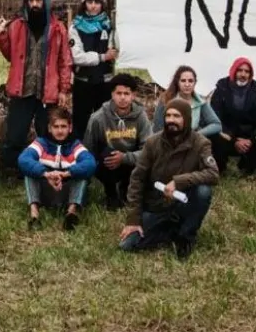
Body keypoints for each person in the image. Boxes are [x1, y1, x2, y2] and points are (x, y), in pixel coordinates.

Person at [119, 98, 220, 260]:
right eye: (168, 116)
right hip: (156, 205)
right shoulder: (152, 142)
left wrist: (179, 181)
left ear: (186, 119)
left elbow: (213, 174)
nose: (171, 120)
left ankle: (186, 237)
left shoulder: (201, 143)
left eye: (177, 116)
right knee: (128, 245)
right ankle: (170, 231)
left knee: (203, 191)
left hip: (183, 202)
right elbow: (137, 180)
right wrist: (133, 219)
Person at [0, 0, 73, 175]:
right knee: (15, 135)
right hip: (22, 90)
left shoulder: (57, 28)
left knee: (47, 134)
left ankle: (49, 169)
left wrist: (64, 89)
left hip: (47, 93)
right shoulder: (17, 26)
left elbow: (65, 61)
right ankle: (14, 171)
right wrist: (2, 35)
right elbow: (10, 56)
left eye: (38, 0)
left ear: (45, 2)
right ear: (26, 3)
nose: (34, 4)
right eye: (31, 1)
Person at [17, 106, 96, 231]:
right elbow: (23, 159)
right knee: (30, 173)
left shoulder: (75, 145)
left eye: (63, 127)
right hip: (46, 189)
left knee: (82, 175)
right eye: (56, 127)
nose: (60, 131)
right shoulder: (41, 143)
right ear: (49, 128)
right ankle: (34, 215)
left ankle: (71, 213)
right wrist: (45, 174)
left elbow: (90, 163)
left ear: (70, 128)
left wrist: (66, 174)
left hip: (67, 191)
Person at [83, 73, 152, 210]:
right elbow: (88, 149)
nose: (122, 98)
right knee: (108, 153)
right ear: (112, 95)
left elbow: (149, 149)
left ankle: (127, 190)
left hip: (130, 161)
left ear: (133, 95)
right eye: (118, 93)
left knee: (145, 162)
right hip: (107, 163)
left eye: (127, 93)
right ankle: (111, 195)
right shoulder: (98, 118)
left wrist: (125, 157)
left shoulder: (141, 116)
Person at [209, 58, 256, 175]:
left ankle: (246, 166)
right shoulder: (221, 89)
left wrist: (251, 140)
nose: (243, 74)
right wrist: (234, 140)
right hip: (227, 137)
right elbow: (214, 117)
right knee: (209, 136)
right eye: (240, 70)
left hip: (250, 139)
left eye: (247, 72)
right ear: (233, 71)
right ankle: (222, 167)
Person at [69, 0, 118, 139]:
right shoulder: (75, 27)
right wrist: (102, 57)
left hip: (104, 82)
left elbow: (114, 50)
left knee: (104, 122)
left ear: (102, 4)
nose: (93, 6)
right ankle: (79, 154)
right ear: (84, 3)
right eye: (90, 2)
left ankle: (102, 156)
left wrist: (109, 54)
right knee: (80, 121)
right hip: (83, 81)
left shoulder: (110, 25)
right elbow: (77, 57)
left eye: (97, 2)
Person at [152, 65, 222, 141]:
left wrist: (196, 135)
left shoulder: (200, 101)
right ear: (177, 82)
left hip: (192, 141)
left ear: (195, 82)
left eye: (190, 81)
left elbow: (216, 124)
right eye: (183, 81)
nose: (187, 84)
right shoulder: (166, 100)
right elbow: (157, 129)